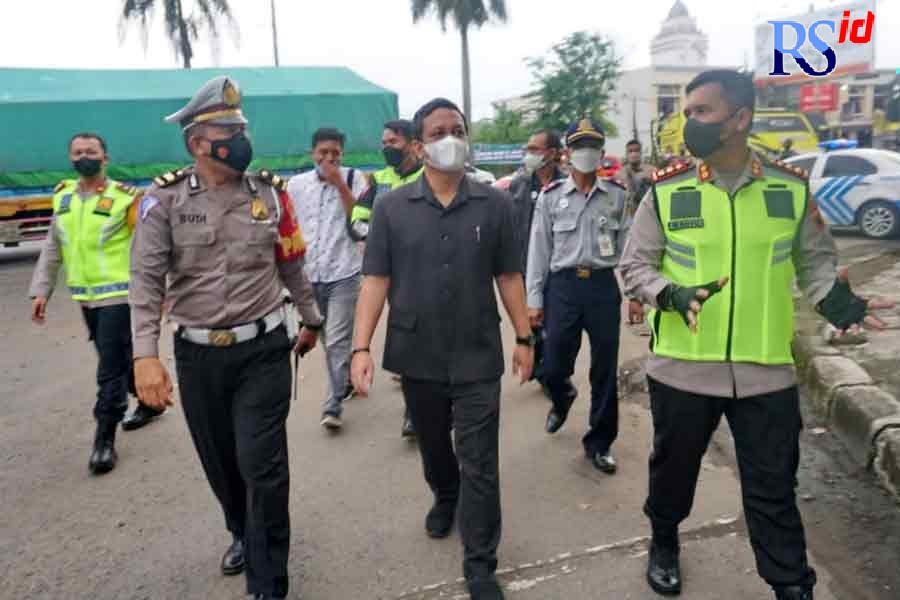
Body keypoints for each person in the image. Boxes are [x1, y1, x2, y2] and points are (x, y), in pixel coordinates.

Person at [620, 69, 893, 600]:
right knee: (672, 475)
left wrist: (840, 304)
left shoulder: (789, 189)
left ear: (739, 118)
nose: (689, 121)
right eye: (688, 111)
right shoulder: (668, 191)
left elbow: (815, 264)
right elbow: (634, 266)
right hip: (682, 365)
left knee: (773, 490)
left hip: (765, 372)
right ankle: (664, 541)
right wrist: (669, 294)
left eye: (702, 112)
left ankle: (791, 583)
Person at [129, 76, 323, 600]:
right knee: (222, 462)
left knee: (263, 465)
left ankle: (268, 582)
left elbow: (292, 265)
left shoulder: (270, 195)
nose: (242, 138)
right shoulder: (162, 200)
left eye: (243, 128)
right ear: (197, 142)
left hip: (263, 351)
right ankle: (240, 528)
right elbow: (145, 284)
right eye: (229, 130)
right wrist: (145, 356)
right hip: (197, 355)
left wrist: (311, 319)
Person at [350, 98, 534, 600]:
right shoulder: (392, 207)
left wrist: (523, 336)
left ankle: (480, 564)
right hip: (417, 353)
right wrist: (360, 347)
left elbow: (509, 275)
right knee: (435, 448)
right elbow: (375, 280)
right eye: (437, 131)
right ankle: (443, 493)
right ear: (418, 145)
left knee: (480, 459)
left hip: (477, 352)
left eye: (457, 128)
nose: (449, 137)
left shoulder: (494, 204)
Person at [28, 132, 164, 475]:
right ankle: (150, 401)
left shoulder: (125, 199)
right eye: (78, 152)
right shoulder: (64, 197)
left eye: (91, 151)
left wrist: (159, 293)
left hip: (119, 296)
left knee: (109, 371)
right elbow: (52, 247)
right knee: (114, 358)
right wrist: (40, 290)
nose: (84, 156)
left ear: (106, 158)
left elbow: (151, 249)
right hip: (85, 298)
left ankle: (104, 439)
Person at [526, 118, 631, 475]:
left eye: (593, 145)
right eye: (579, 145)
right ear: (567, 153)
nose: (586, 153)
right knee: (553, 366)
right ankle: (562, 396)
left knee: (604, 371)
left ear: (601, 152)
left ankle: (600, 443)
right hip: (564, 288)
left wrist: (634, 294)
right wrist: (534, 299)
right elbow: (538, 249)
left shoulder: (617, 195)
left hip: (602, 287)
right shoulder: (551, 197)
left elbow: (629, 249)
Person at [288, 127, 369, 431]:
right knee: (323, 336)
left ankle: (332, 405)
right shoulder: (296, 185)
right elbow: (289, 224)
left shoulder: (353, 178)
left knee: (336, 339)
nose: (329, 158)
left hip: (344, 273)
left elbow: (359, 218)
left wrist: (339, 185)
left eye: (335, 152)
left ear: (342, 154)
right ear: (313, 153)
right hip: (309, 275)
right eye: (323, 152)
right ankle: (344, 379)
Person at [348, 119, 424, 438]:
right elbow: (356, 220)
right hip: (397, 278)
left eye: (392, 142)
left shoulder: (430, 175)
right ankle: (414, 409)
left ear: (411, 143)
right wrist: (380, 238)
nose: (385, 148)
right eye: (384, 142)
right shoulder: (378, 181)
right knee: (408, 342)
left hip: (433, 272)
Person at [508, 129, 576, 400]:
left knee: (557, 328)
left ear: (552, 153)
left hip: (559, 269)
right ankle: (541, 369)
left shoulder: (568, 185)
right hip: (525, 266)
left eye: (535, 149)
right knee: (531, 320)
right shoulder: (520, 185)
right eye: (528, 148)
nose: (529, 154)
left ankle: (556, 375)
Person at [618, 139, 654, 215]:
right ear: (626, 154)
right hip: (628, 215)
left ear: (641, 153)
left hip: (649, 212)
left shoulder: (651, 171)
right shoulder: (620, 174)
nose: (634, 154)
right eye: (630, 151)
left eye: (637, 151)